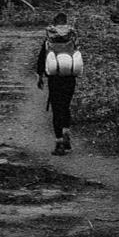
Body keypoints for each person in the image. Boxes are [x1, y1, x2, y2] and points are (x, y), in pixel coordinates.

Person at [33, 10, 83, 154]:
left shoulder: (50, 37)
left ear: (54, 23)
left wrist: (39, 75)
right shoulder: (72, 37)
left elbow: (42, 57)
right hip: (70, 78)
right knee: (66, 106)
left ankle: (59, 143)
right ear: (66, 23)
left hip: (55, 79)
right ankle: (66, 134)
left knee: (56, 109)